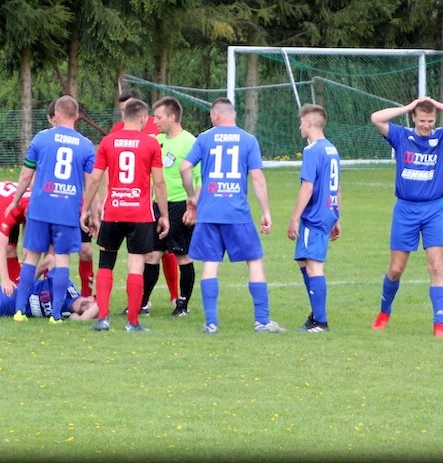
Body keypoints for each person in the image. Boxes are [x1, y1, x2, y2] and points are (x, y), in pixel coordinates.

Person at [179, 97, 286, 334]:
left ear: (216, 115)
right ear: (233, 115)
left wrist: (191, 196)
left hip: (209, 212)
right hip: (237, 213)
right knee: (254, 261)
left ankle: (211, 323)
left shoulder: (204, 138)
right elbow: (257, 177)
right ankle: (262, 321)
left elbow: (184, 167)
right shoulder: (248, 140)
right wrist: (266, 212)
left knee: (210, 263)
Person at [369, 96, 443, 338]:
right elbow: (376, 118)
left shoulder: (442, 138)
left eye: (430, 120)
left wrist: (438, 105)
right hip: (405, 210)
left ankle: (439, 323)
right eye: (422, 120)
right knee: (396, 269)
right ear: (414, 119)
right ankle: (384, 312)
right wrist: (408, 107)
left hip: (434, 210)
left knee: (436, 266)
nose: (426, 125)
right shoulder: (401, 136)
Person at [80, 98, 169, 332]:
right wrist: (164, 215)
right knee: (136, 264)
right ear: (143, 118)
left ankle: (103, 319)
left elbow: (95, 179)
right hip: (140, 214)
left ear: (124, 117)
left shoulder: (108, 141)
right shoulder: (151, 144)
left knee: (106, 262)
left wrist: (85, 209)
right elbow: (159, 182)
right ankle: (133, 322)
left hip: (113, 211)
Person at [7, 95, 96, 323]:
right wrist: (92, 213)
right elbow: (91, 184)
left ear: (56, 114)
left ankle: (19, 311)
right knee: (62, 259)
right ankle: (56, 315)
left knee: (31, 258)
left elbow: (26, 174)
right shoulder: (86, 145)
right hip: (67, 211)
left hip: (40, 209)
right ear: (77, 116)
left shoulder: (41, 138)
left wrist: (16, 200)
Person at [112, 89, 179, 312]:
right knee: (143, 253)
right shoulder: (117, 131)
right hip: (133, 200)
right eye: (122, 110)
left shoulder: (156, 127)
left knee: (167, 250)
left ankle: (175, 296)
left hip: (159, 197)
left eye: (129, 108)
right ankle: (142, 301)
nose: (126, 114)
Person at [140, 96, 201, 317]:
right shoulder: (156, 141)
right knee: (151, 256)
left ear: (172, 117)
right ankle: (142, 304)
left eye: (158, 117)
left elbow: (200, 178)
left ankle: (182, 305)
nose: (154, 121)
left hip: (180, 206)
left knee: (182, 256)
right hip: (158, 206)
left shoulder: (190, 142)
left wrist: (193, 207)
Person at [287, 104, 341, 333]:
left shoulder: (312, 151)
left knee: (313, 265)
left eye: (301, 122)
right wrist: (336, 216)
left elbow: (307, 187)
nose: (300, 126)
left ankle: (320, 321)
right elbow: (336, 186)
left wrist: (294, 218)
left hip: (315, 215)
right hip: (328, 212)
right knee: (303, 260)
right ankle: (315, 313)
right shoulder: (331, 149)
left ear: (309, 123)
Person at [46, 100, 94, 297]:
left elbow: (91, 180)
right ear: (51, 119)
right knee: (51, 253)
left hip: (75, 206)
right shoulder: (44, 141)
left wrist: (93, 209)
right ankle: (50, 295)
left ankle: (86, 295)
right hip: (51, 206)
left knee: (86, 250)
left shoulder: (81, 143)